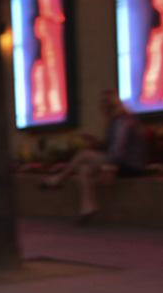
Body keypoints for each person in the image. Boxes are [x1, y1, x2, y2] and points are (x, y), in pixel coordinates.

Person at [40, 90, 148, 224]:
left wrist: (109, 168)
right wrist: (95, 142)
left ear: (111, 105)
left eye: (104, 103)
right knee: (84, 168)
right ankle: (88, 208)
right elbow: (111, 145)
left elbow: (118, 148)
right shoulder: (116, 121)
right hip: (121, 162)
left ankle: (59, 178)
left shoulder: (122, 120)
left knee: (83, 154)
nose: (101, 107)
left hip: (129, 164)